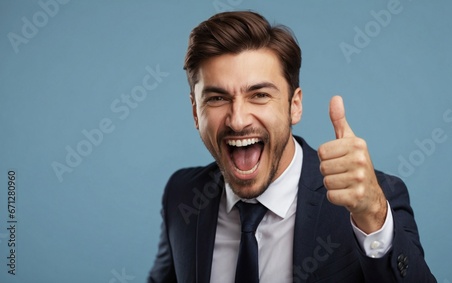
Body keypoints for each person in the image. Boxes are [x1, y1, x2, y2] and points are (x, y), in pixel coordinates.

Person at [148, 11, 436, 283]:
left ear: (294, 105)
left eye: (259, 95)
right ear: (196, 112)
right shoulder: (181, 195)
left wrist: (373, 216)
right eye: (216, 98)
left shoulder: (368, 203)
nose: (237, 120)